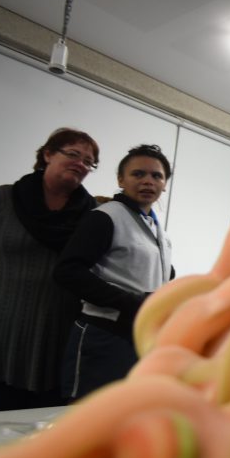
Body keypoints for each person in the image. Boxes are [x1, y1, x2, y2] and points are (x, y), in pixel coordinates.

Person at [0, 128, 99, 412]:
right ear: (47, 154)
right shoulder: (2, 199)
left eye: (89, 161)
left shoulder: (92, 215)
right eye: (73, 154)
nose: (81, 163)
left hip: (54, 339)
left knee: (36, 439)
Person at [54, 144, 175, 400]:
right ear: (121, 179)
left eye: (157, 176)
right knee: (87, 418)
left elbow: (151, 271)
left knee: (122, 417)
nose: (147, 181)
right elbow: (68, 271)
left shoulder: (156, 228)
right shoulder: (106, 216)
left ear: (165, 184)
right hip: (104, 334)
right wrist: (131, 301)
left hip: (139, 336)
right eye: (138, 174)